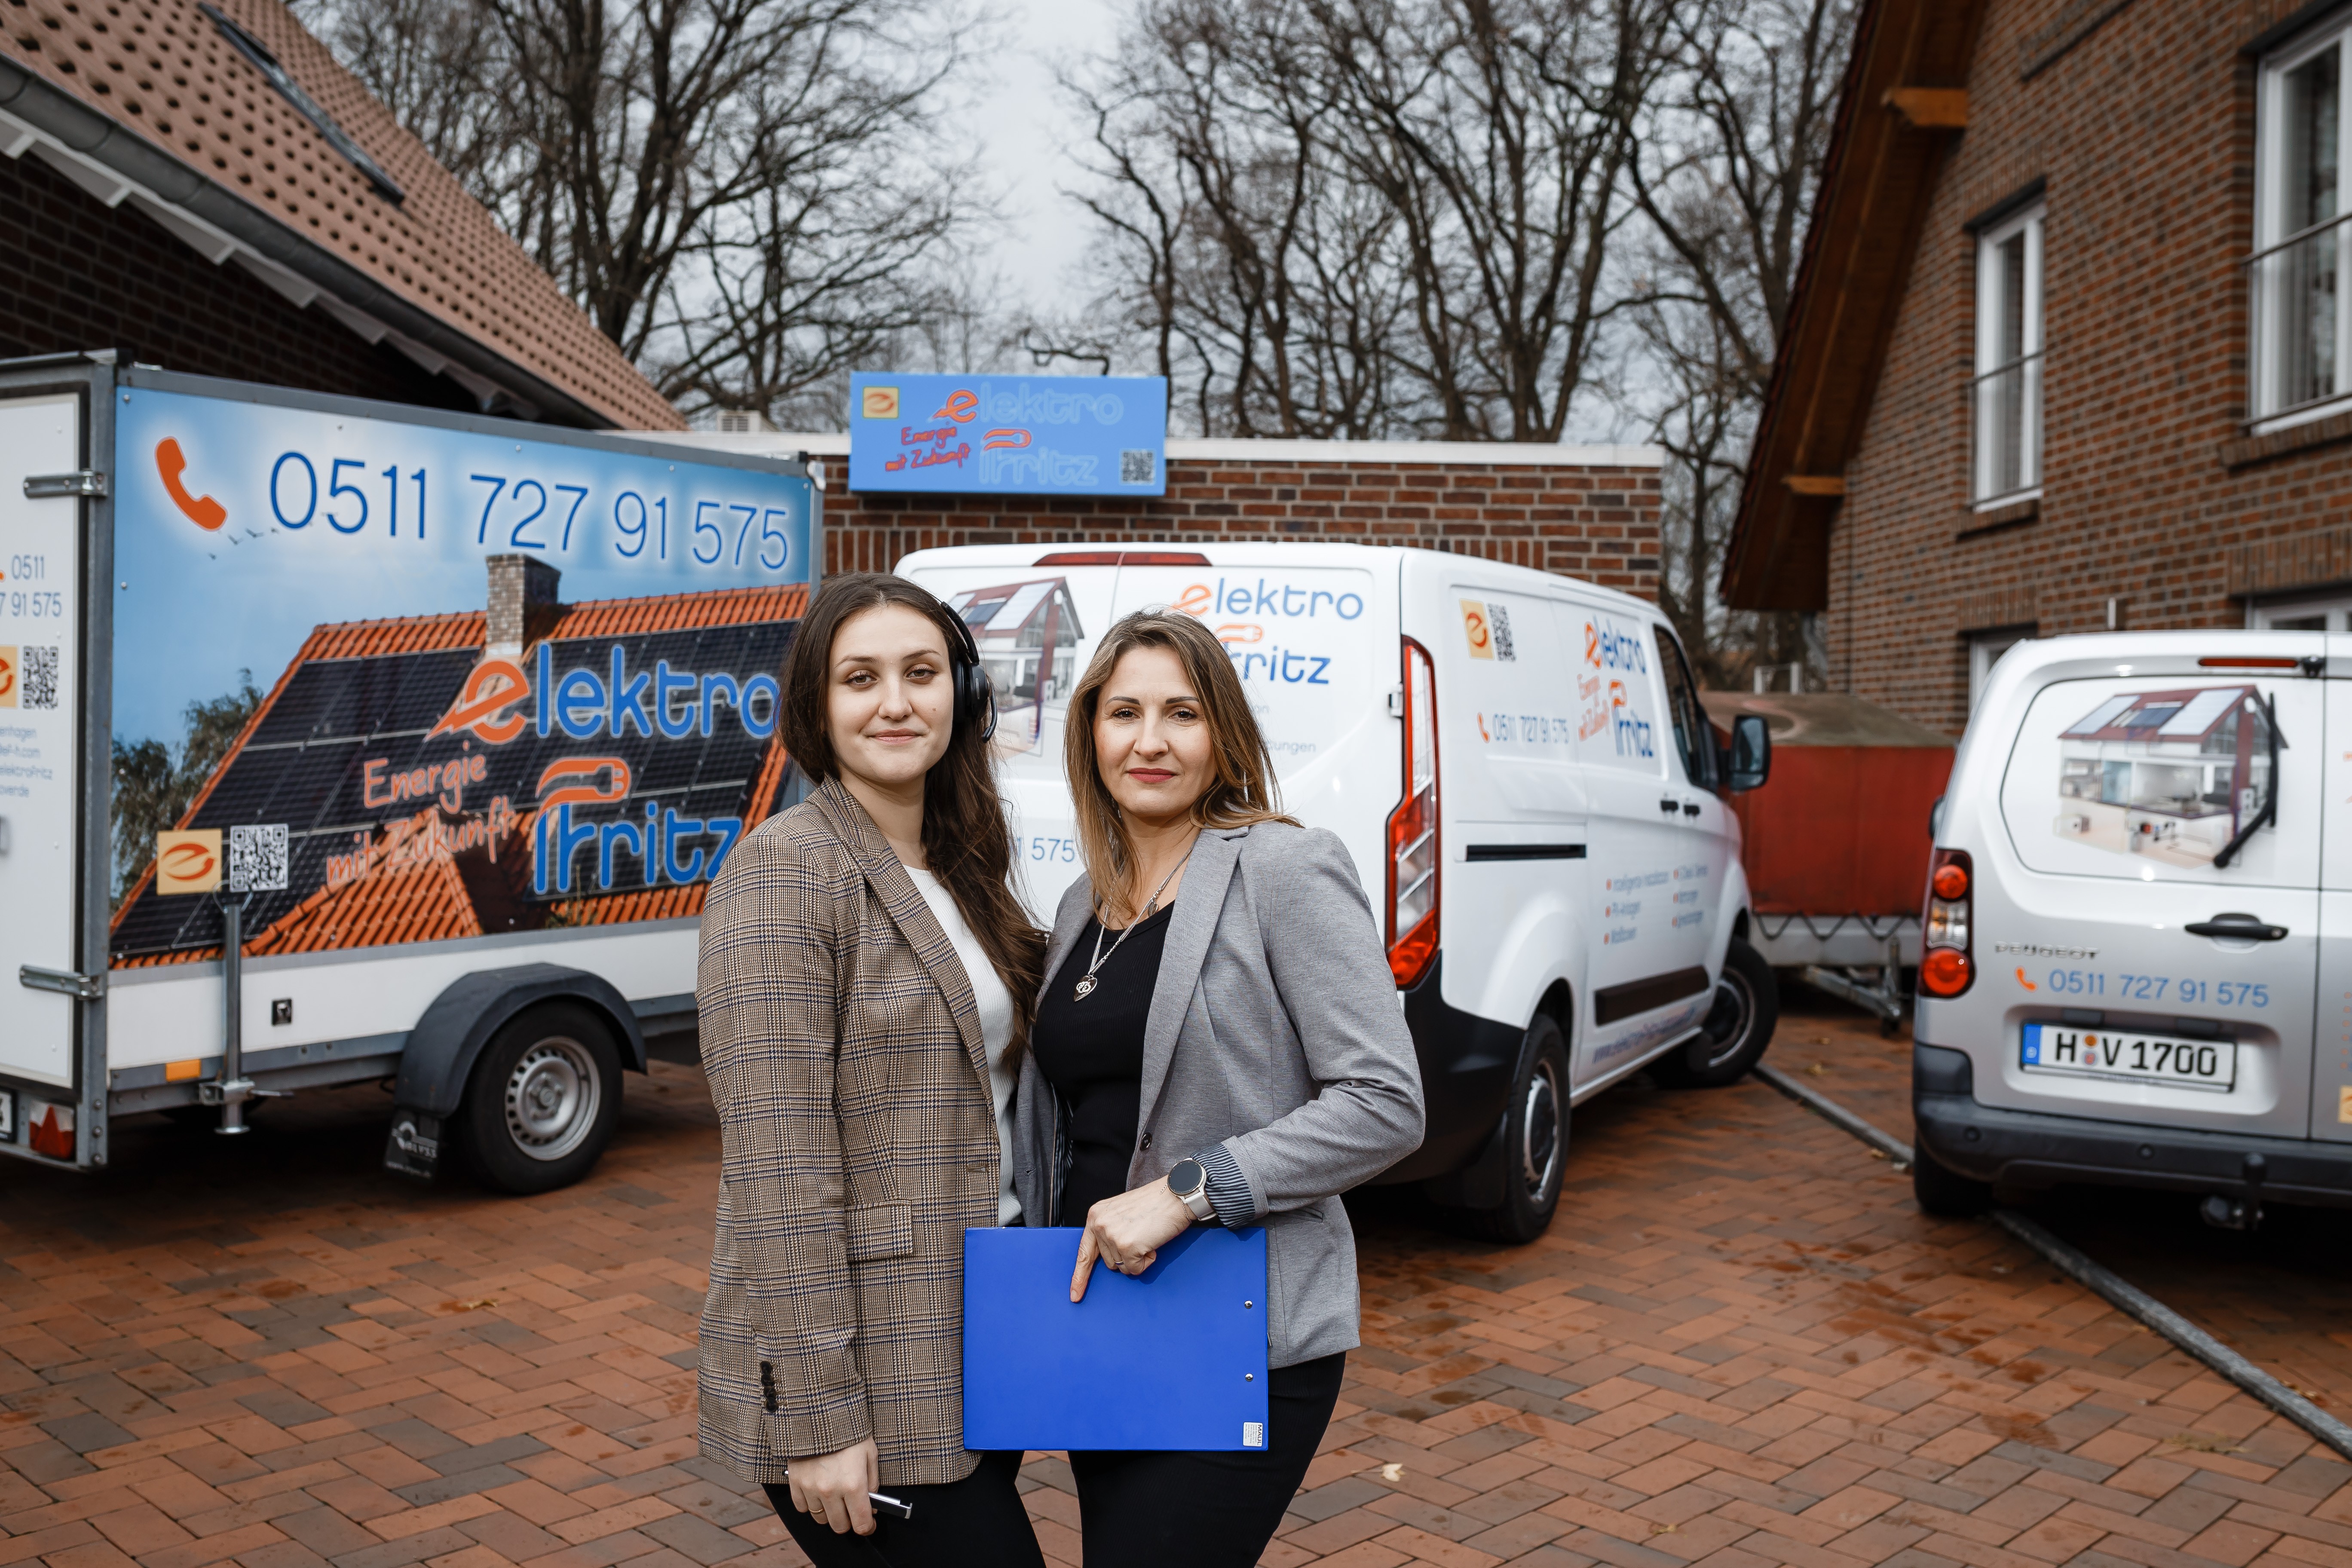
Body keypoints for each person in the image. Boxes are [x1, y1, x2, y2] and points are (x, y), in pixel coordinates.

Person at [1012, 609, 1426, 1567]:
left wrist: (1187, 1192)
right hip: (1103, 1319)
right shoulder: (1083, 904)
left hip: (1239, 1330)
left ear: (1223, 735)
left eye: (1182, 714)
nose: (1150, 741)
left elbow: (1386, 1101)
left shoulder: (1283, 868)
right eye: (1124, 713)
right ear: (1090, 734)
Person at [695, 574, 1047, 1568]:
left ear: (961, 695)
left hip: (977, 1333)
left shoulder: (962, 864)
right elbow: (779, 1169)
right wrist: (818, 1418)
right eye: (861, 678)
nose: (895, 703)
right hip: (867, 1367)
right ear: (819, 706)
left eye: (921, 673)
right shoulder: (785, 871)